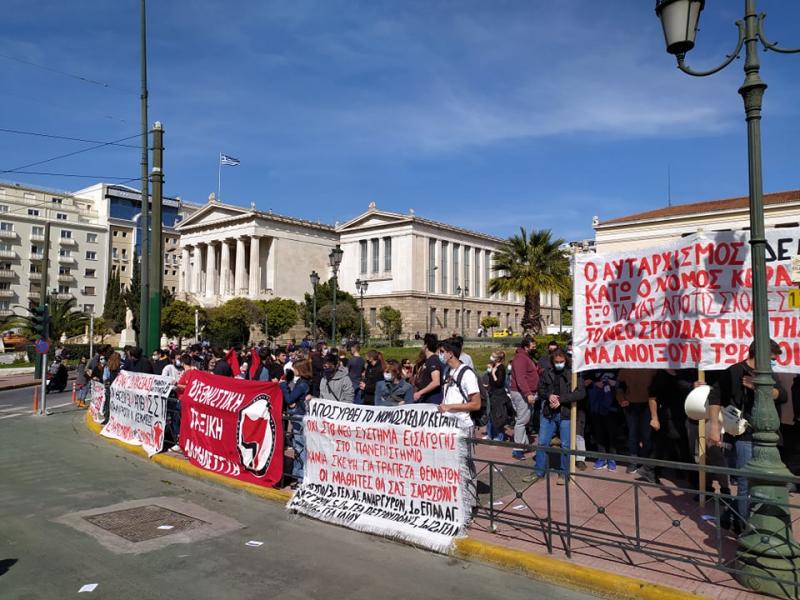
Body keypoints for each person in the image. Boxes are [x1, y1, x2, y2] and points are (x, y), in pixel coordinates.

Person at [708, 339, 787, 531]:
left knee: (760, 481)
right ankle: (745, 530)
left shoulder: (766, 374)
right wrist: (714, 428)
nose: (773, 363)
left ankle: (729, 516)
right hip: (743, 435)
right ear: (759, 354)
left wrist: (760, 387)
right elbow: (714, 397)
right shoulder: (734, 371)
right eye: (771, 358)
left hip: (766, 436)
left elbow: (782, 396)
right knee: (745, 483)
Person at [523, 349, 585, 486]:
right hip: (548, 413)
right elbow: (541, 389)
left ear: (566, 361)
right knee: (542, 442)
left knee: (565, 445)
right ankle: (539, 471)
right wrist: (549, 396)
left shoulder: (573, 374)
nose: (559, 364)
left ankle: (564, 473)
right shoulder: (547, 373)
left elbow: (580, 393)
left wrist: (561, 399)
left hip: (565, 413)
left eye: (561, 362)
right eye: (556, 362)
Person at [616, 368, 658, 476]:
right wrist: (621, 399)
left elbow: (657, 385)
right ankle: (633, 462)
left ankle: (645, 464)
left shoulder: (652, 367)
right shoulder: (625, 368)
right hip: (630, 405)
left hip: (648, 405)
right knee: (633, 435)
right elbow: (619, 386)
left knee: (646, 435)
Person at [281, 359, 312, 487]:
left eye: (294, 368)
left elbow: (289, 398)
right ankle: (297, 474)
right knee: (297, 446)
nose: (292, 370)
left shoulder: (302, 384)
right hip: (298, 415)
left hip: (299, 416)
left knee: (300, 447)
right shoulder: (301, 382)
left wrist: (282, 386)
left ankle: (301, 477)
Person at [509, 336, 538, 460]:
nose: (535, 349)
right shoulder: (521, 358)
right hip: (522, 394)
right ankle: (518, 449)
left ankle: (524, 444)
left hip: (524, 393)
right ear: (526, 347)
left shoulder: (524, 357)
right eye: (533, 347)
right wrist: (528, 393)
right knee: (522, 421)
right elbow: (521, 378)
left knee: (523, 419)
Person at [585, 369, 619, 470]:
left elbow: (624, 383)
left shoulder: (617, 368)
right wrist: (595, 384)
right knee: (599, 433)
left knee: (612, 433)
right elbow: (586, 382)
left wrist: (616, 383)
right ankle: (601, 457)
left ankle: (612, 458)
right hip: (597, 406)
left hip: (612, 406)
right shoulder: (593, 367)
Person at [486, 351, 513, 441]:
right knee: (491, 415)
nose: (491, 358)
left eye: (493, 356)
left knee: (498, 415)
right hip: (492, 393)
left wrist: (493, 374)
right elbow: (491, 381)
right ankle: (490, 434)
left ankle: (499, 436)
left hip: (498, 395)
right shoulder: (494, 366)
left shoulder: (501, 368)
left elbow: (499, 383)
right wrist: (490, 372)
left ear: (498, 358)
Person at [413, 334, 443, 404]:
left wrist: (420, 393)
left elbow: (436, 382)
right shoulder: (427, 361)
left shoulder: (433, 360)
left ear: (426, 346)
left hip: (431, 400)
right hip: (424, 400)